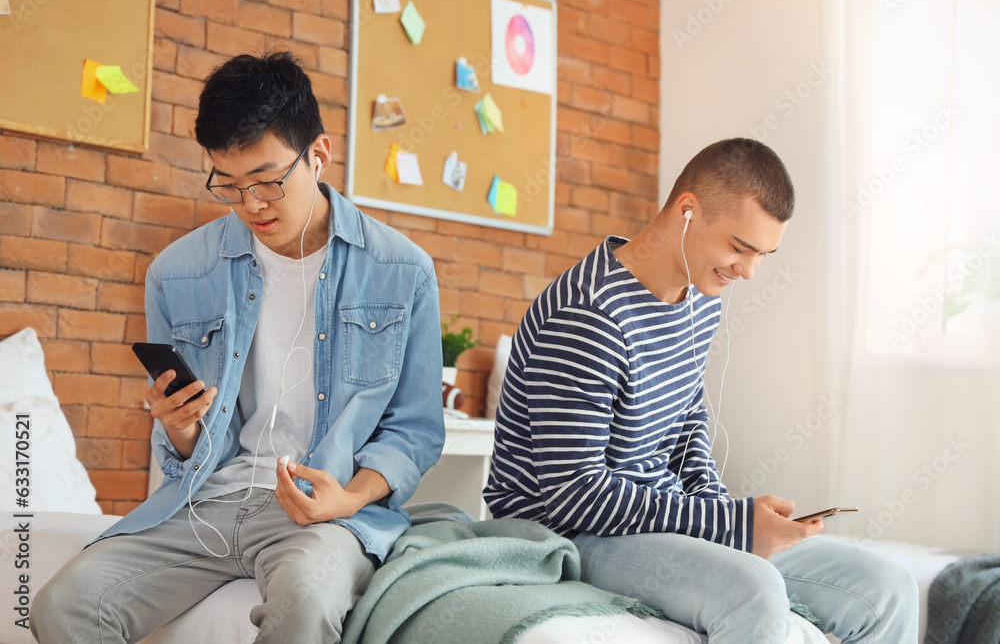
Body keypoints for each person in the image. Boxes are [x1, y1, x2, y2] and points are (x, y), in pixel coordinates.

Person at [32, 51, 445, 643]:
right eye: (227, 183)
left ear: (319, 155)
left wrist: (349, 496)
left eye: (269, 180)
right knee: (65, 603)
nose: (251, 204)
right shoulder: (176, 273)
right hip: (206, 501)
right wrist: (177, 427)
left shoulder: (402, 271)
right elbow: (194, 439)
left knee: (306, 600)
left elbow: (417, 429)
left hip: (319, 509)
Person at [484, 138, 918, 642]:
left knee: (889, 587)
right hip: (575, 533)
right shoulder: (588, 315)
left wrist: (722, 514)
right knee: (752, 590)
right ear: (688, 210)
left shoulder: (698, 298)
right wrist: (731, 524)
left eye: (763, 255)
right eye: (739, 248)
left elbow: (688, 422)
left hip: (654, 522)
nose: (750, 272)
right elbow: (573, 495)